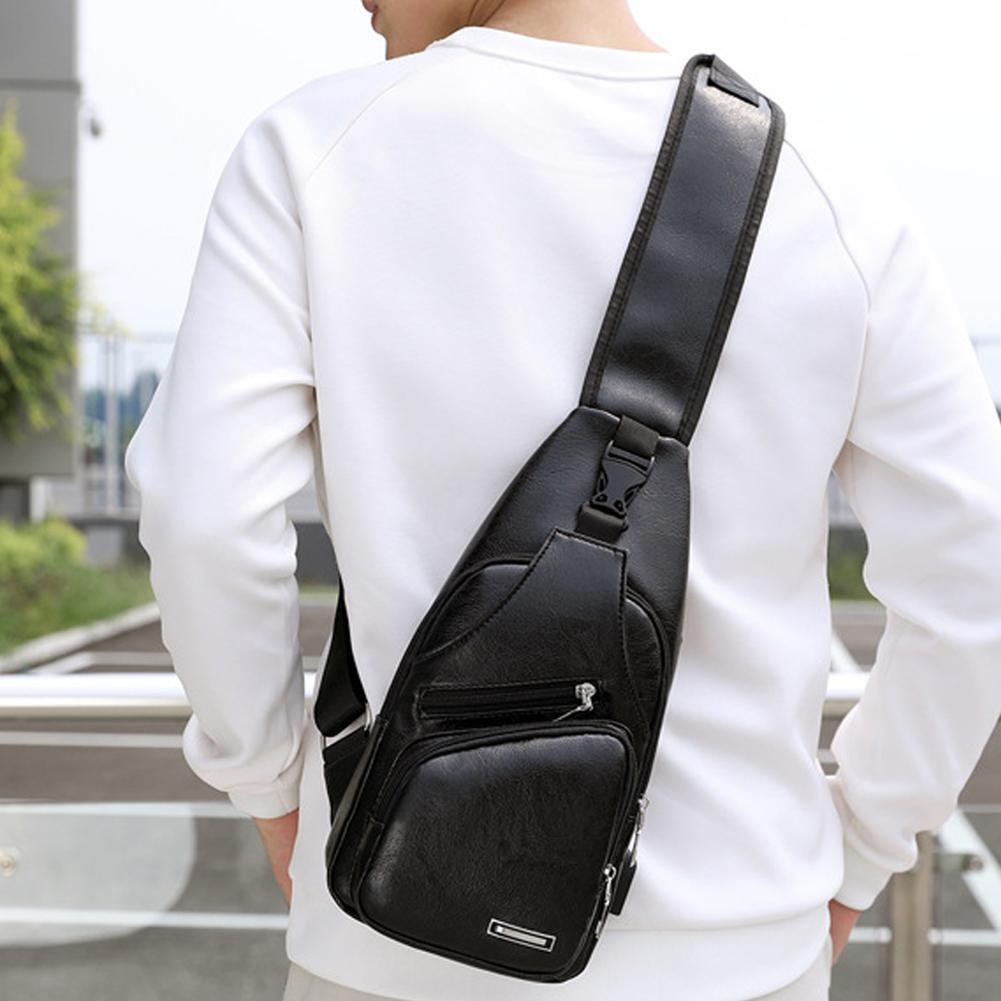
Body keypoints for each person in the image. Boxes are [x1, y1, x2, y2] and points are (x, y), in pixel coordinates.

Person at [123, 1, 1001, 1000]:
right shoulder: (827, 190)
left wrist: (271, 786)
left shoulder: (312, 150)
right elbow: (974, 565)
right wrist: (861, 846)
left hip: (389, 920)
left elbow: (202, 513)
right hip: (742, 946)